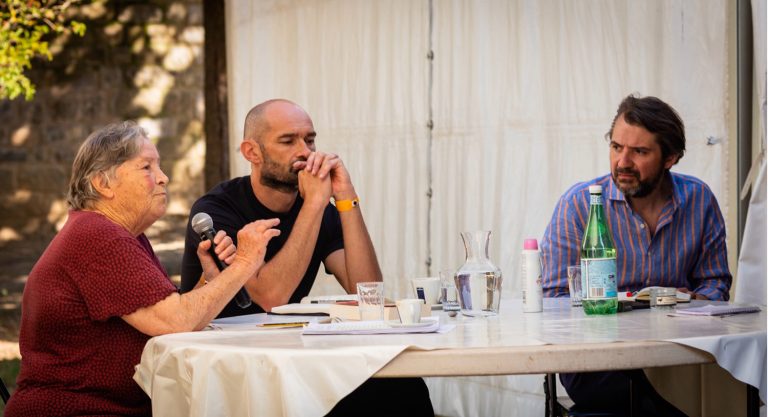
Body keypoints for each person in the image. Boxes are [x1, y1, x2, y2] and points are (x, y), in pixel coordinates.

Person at [4, 122, 280, 417]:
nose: (164, 178)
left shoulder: (118, 235)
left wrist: (212, 279)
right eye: (146, 167)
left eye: (159, 167)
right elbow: (177, 321)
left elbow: (163, 317)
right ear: (103, 183)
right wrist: (245, 263)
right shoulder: (97, 236)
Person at [180, 99, 434, 416]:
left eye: (310, 139)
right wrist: (314, 204)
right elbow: (270, 297)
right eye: (288, 141)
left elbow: (368, 291)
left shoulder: (319, 210)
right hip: (225, 360)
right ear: (251, 152)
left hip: (286, 353)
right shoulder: (217, 209)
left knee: (401, 387)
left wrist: (346, 198)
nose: (305, 151)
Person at [540, 94, 732, 416]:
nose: (622, 162)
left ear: (670, 157)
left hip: (675, 354)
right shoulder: (579, 204)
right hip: (597, 359)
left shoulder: (699, 199)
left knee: (727, 387)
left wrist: (691, 301)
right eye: (616, 147)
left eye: (639, 151)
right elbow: (555, 299)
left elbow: (716, 284)